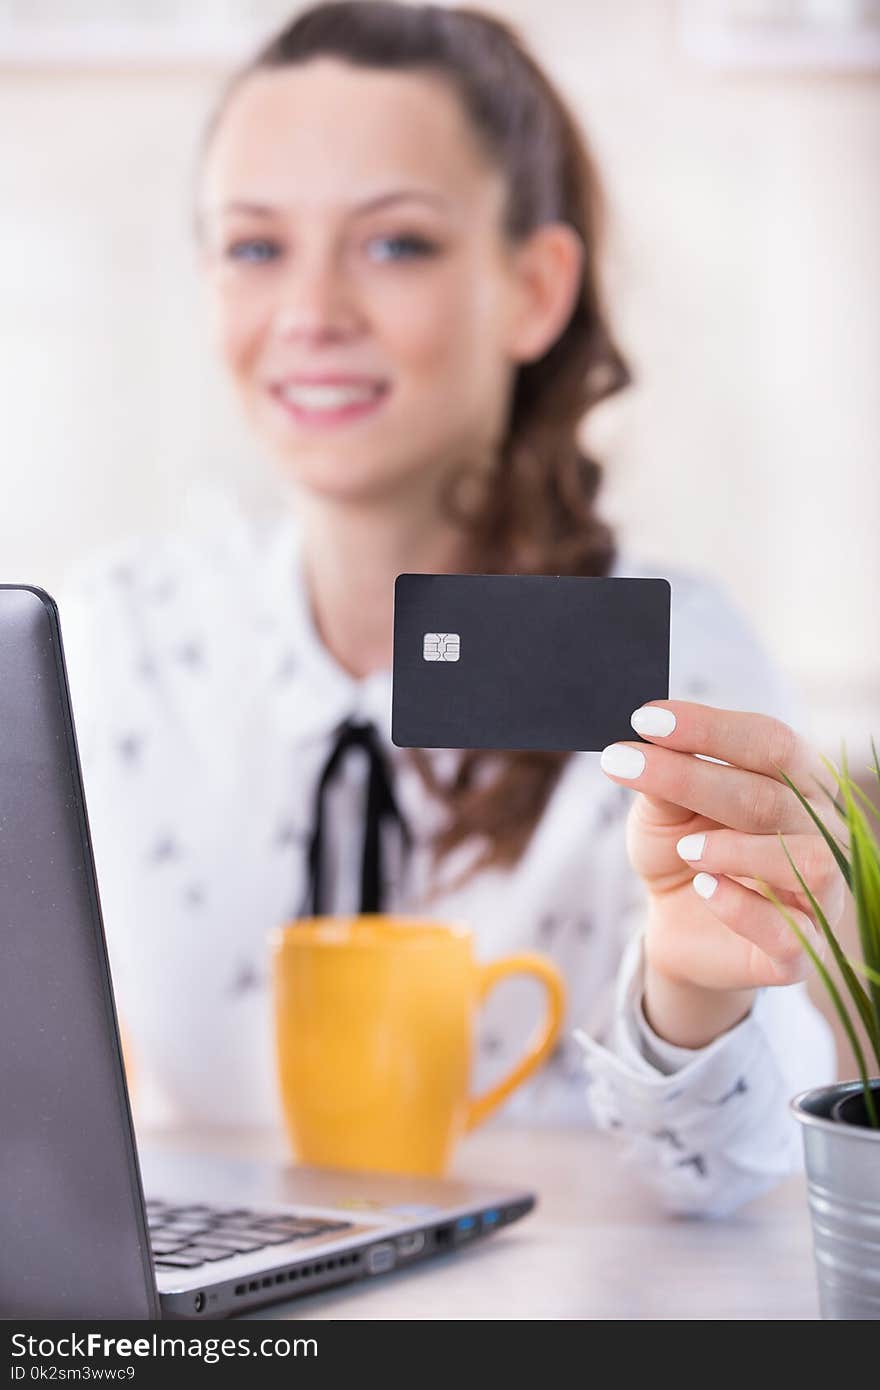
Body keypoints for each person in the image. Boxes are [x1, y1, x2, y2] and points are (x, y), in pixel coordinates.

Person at [61, 1, 836, 1217]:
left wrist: (696, 992)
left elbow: (757, 1172)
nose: (310, 312)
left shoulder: (678, 654)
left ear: (534, 289)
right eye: (255, 247)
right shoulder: (115, 639)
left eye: (395, 245)